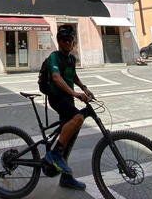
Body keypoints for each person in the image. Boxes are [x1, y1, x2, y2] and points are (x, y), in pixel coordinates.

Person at [44, 25, 94, 190]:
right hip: (57, 98)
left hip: (68, 99)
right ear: (59, 42)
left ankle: (66, 177)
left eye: (69, 40)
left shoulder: (71, 59)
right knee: (78, 118)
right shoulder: (54, 57)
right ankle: (55, 154)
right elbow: (57, 78)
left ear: (73, 42)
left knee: (69, 137)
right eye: (63, 40)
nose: (67, 42)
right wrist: (75, 93)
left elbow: (73, 75)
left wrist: (84, 88)